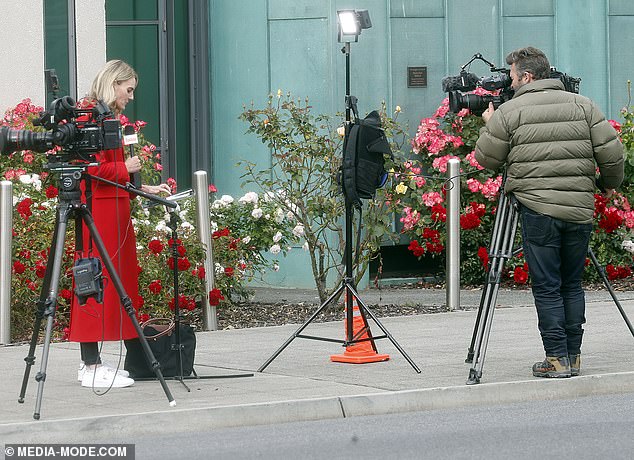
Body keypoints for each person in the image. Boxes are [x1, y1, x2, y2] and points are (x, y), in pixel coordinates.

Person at [474, 47, 624, 378]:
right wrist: (608, 184)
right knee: (571, 284)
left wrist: (489, 124)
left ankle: (556, 358)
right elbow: (612, 154)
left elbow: (486, 159)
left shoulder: (510, 112)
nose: (510, 85)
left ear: (527, 77)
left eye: (512, 78)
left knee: (547, 286)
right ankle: (573, 356)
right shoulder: (583, 105)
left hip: (537, 210)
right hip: (579, 211)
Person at [68, 60, 171, 388]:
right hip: (98, 213)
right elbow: (88, 169)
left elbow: (113, 170)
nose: (130, 96)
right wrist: (125, 168)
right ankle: (90, 364)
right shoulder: (87, 116)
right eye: (128, 90)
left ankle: (96, 363)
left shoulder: (111, 119)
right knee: (93, 283)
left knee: (117, 286)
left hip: (115, 211)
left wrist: (144, 187)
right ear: (114, 83)